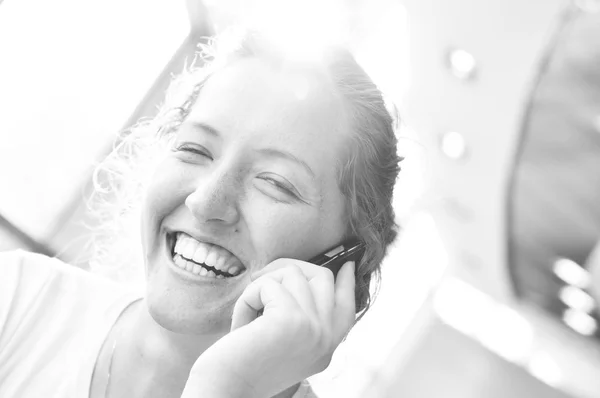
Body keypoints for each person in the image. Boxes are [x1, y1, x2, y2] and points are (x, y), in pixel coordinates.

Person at [0, 29, 401, 398]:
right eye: (194, 149)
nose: (205, 202)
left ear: (347, 259)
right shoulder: (19, 295)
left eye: (276, 182)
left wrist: (228, 386)